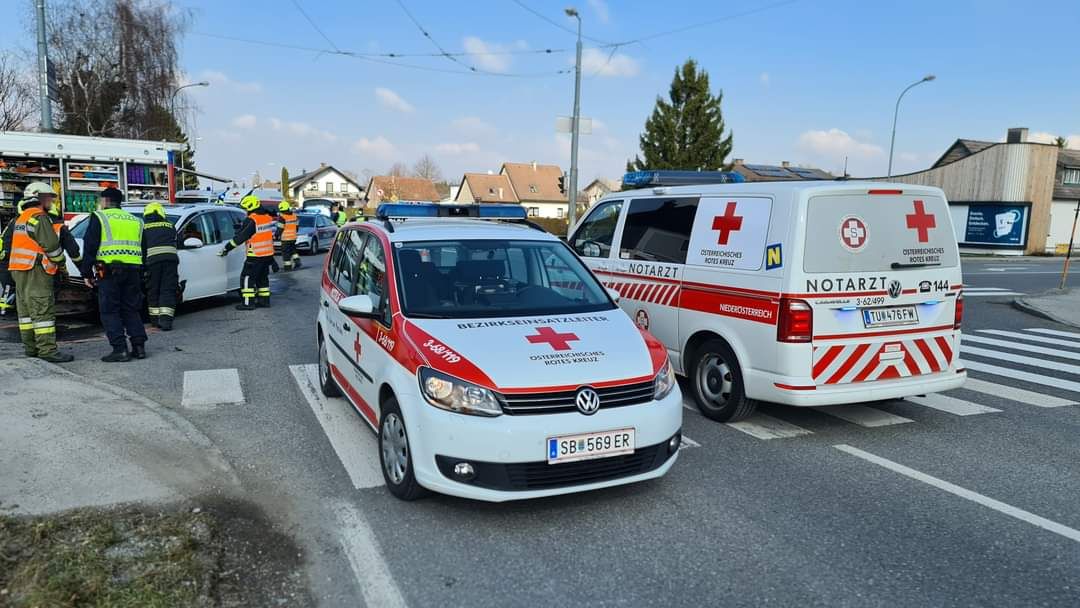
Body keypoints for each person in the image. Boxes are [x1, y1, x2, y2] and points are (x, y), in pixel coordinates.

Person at [80, 187, 147, 362]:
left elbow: (90, 245)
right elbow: (144, 249)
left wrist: (86, 272)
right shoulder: (136, 220)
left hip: (109, 272)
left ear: (105, 201)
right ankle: (139, 347)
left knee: (110, 311)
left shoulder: (100, 216)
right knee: (131, 309)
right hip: (133, 271)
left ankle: (120, 349)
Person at [9, 183, 73, 362]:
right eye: (49, 197)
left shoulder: (21, 218)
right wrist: (61, 264)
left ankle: (31, 348)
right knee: (42, 312)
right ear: (39, 197)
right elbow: (52, 246)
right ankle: (48, 351)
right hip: (36, 270)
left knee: (26, 313)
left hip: (19, 269)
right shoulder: (39, 217)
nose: (51, 201)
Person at [219, 195, 278, 310]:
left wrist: (227, 248)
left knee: (247, 278)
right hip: (267, 255)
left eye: (246, 208)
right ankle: (264, 301)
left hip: (255, 255)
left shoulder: (252, 220)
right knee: (262, 279)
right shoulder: (267, 217)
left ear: (250, 208)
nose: (246, 211)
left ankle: (248, 303)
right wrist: (272, 260)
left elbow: (241, 237)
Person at [141, 202, 179, 331]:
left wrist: (142, 266)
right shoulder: (170, 226)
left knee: (153, 290)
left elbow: (142, 248)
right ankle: (166, 322)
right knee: (167, 290)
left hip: (153, 262)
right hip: (171, 261)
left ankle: (155, 320)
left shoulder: (144, 228)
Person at [48, 204, 82, 292]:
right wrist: (85, 272)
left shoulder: (25, 225)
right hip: (51, 272)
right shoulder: (60, 228)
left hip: (24, 270)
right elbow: (74, 251)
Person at [0, 200, 24, 316]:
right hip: (7, 258)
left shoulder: (14, 221)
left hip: (5, 256)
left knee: (8, 285)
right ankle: (5, 310)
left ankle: (6, 309)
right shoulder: (19, 222)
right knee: (9, 286)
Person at [277, 200, 302, 271]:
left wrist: (276, 235)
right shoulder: (294, 216)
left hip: (285, 239)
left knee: (286, 253)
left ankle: (288, 267)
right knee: (293, 251)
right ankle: (297, 262)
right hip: (293, 237)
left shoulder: (282, 217)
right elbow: (297, 227)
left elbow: (280, 228)